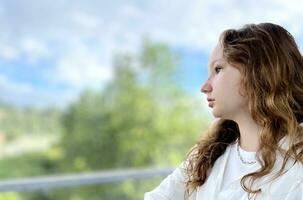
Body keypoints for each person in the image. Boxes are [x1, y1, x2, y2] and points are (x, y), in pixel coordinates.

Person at [144, 22, 303, 200]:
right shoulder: (207, 154)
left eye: (218, 69)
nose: (205, 87)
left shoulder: (297, 168)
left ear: (258, 72)